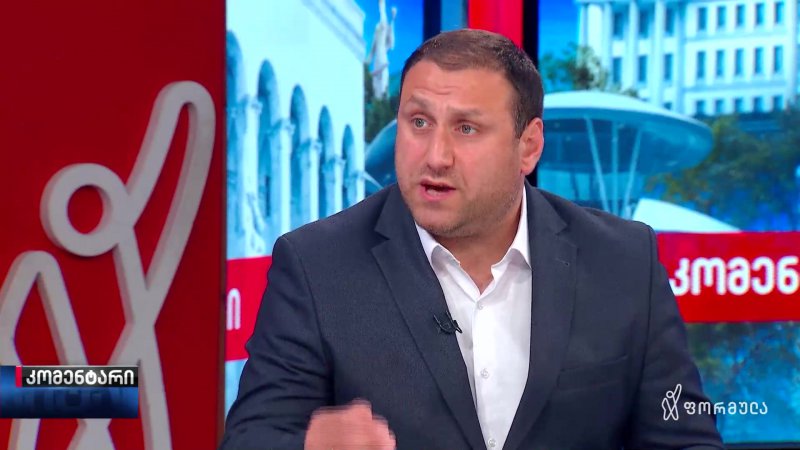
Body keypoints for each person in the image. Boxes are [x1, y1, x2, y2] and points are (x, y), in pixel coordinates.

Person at [220, 29, 724, 450]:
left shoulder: (623, 262)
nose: (435, 156)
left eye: (466, 129)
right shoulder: (316, 265)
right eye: (419, 122)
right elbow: (250, 438)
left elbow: (686, 440)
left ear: (528, 147)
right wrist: (308, 445)